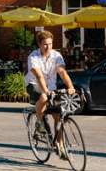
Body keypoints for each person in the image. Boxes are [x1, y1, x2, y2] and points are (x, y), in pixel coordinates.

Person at [24, 30, 75, 158]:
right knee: (44, 96)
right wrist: (46, 91)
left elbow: (62, 72)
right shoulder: (33, 57)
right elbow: (39, 76)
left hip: (51, 87)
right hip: (34, 84)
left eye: (50, 44)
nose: (48, 47)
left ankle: (61, 146)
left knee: (59, 116)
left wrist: (70, 87)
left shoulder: (56, 56)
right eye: (45, 44)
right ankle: (39, 122)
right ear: (39, 45)